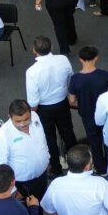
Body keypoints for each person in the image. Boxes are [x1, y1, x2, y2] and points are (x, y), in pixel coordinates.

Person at [0, 99, 59, 215]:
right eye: (18, 121)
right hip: (21, 185)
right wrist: (15, 192)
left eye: (26, 119)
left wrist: (46, 158)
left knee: (38, 209)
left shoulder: (35, 117)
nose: (23, 123)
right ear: (9, 116)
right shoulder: (2, 136)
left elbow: (42, 140)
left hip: (41, 177)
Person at [26, 35, 78, 176]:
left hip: (44, 109)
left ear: (34, 50)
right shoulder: (63, 59)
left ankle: (55, 169)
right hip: (62, 103)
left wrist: (32, 115)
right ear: (52, 47)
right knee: (68, 133)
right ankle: (77, 164)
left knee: (49, 139)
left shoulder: (31, 72)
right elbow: (70, 78)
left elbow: (33, 102)